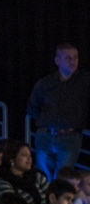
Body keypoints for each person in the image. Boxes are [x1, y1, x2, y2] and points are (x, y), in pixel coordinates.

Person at [27, 43, 90, 179]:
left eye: (75, 57)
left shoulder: (85, 82)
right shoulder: (46, 83)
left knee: (64, 178)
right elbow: (32, 106)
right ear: (57, 61)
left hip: (70, 137)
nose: (72, 61)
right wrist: (45, 121)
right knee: (43, 177)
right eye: (68, 58)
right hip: (45, 136)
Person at [0, 139, 49, 204]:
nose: (29, 158)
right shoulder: (3, 183)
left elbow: (51, 198)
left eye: (30, 155)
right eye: (24, 155)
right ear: (11, 159)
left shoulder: (36, 176)